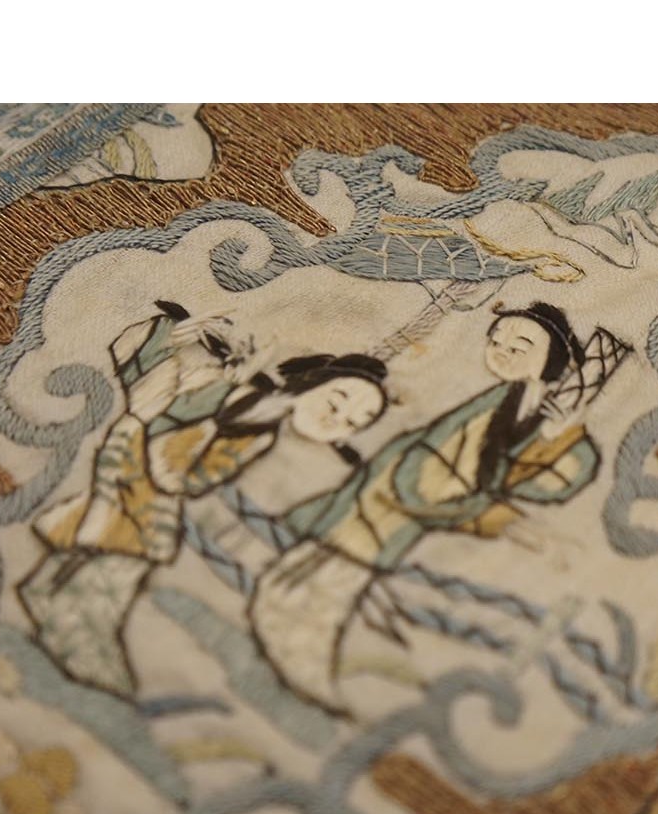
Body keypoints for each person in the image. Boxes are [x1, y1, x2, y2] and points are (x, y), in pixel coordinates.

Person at [249, 301, 624, 711]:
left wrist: (562, 435)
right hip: (387, 498)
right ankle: (286, 658)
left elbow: (551, 478)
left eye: (520, 346)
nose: (502, 350)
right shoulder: (505, 398)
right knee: (310, 577)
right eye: (496, 340)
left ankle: (298, 667)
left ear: (551, 361)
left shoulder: (532, 409)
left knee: (326, 589)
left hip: (397, 508)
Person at [20, 300, 389, 697]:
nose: (336, 419)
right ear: (311, 383)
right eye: (335, 402)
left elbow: (198, 472)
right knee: (122, 552)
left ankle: (51, 596)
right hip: (140, 467)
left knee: (109, 543)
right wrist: (173, 338)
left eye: (353, 423)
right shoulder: (244, 399)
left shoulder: (259, 419)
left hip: (146, 472)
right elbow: (162, 412)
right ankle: (75, 632)